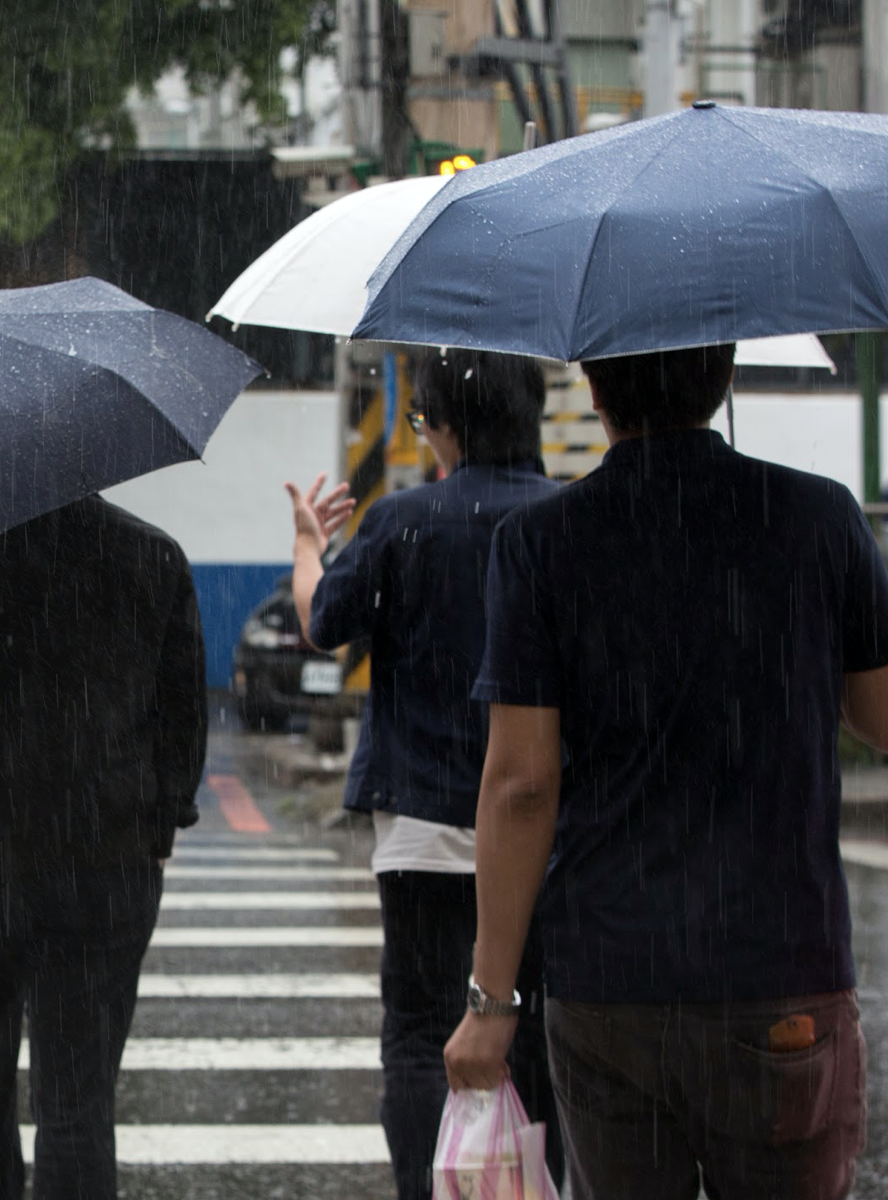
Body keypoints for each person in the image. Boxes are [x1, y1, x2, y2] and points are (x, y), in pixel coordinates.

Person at [444, 343, 888, 1200]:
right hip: (779, 969)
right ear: (727, 374)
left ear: (592, 386)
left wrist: (490, 1002)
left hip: (608, 979)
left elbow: (521, 784)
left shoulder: (540, 542)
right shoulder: (819, 517)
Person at [0, 495, 207, 1200]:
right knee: (78, 1102)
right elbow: (183, 716)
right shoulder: (152, 554)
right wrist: (160, 821)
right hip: (104, 859)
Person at [286, 348, 563, 1199]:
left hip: (423, 831)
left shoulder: (405, 520)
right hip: (547, 832)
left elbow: (323, 624)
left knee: (415, 1035)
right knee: (538, 1027)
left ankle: (427, 1187)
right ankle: (533, 1182)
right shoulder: (568, 520)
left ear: (446, 425)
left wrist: (306, 545)